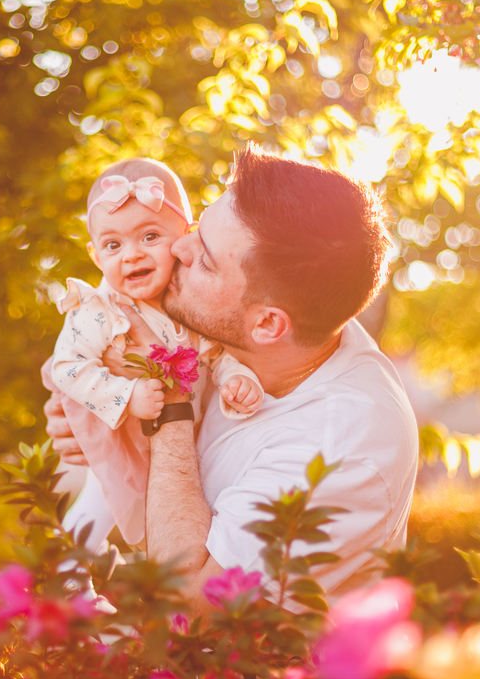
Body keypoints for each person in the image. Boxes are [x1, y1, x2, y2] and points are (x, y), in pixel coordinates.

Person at [44, 145, 419, 609]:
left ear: (266, 325)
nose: (177, 247)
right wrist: (98, 417)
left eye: (204, 259)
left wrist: (167, 395)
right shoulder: (292, 317)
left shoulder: (340, 445)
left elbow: (190, 599)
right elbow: (74, 375)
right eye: (197, 228)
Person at [43, 158, 264, 546]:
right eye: (114, 245)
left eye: (149, 237)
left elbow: (215, 354)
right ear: (96, 256)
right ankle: (65, 577)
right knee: (101, 504)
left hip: (176, 445)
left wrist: (236, 378)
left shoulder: (191, 302)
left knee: (161, 520)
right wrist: (126, 396)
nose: (132, 255)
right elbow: (66, 368)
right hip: (123, 434)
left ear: (185, 237)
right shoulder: (100, 310)